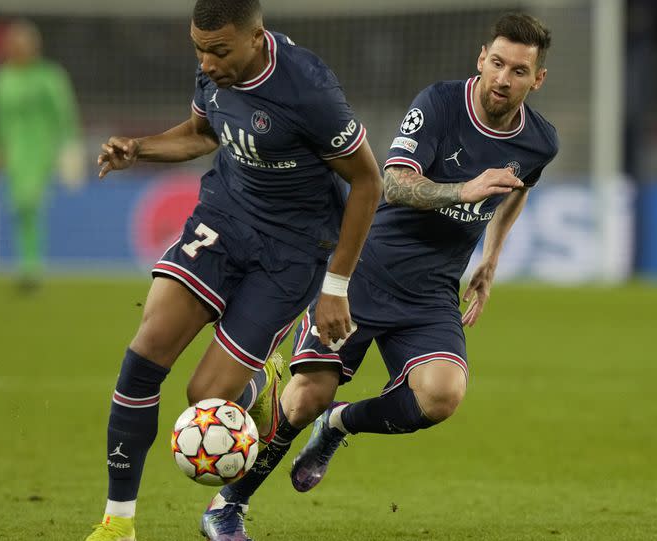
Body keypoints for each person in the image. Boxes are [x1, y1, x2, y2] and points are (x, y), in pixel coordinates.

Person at [198, 12, 559, 541]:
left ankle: (339, 425)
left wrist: (491, 259)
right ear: (482, 57)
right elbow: (393, 183)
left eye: (519, 71)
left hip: (433, 292)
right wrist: (462, 190)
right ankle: (228, 505)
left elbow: (519, 184)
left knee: (441, 396)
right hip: (368, 270)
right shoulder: (438, 104)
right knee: (304, 398)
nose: (503, 78)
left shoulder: (540, 141)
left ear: (537, 79)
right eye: (497, 63)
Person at [85, 0, 382, 539]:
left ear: (256, 38)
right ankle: (116, 522)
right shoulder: (214, 72)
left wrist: (335, 287)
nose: (206, 63)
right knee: (146, 352)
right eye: (198, 49)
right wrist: (140, 149)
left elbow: (368, 181)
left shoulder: (308, 91)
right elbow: (204, 133)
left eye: (218, 51)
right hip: (224, 219)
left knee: (206, 400)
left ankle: (262, 378)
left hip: (293, 250)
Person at [0, 20, 83, 290]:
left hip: (41, 151)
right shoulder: (2, 79)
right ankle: (27, 267)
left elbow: (65, 114)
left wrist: (69, 148)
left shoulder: (49, 77)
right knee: (20, 208)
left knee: (29, 202)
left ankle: (31, 268)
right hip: (13, 154)